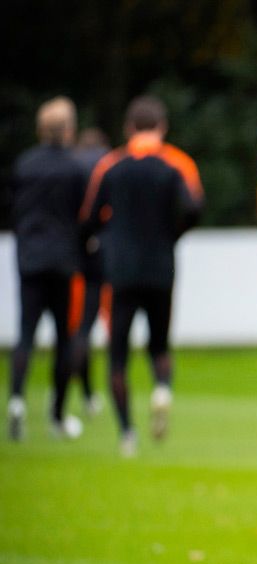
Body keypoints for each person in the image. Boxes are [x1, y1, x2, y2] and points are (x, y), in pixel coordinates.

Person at [80, 95, 204, 457]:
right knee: (159, 343)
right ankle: (162, 388)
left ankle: (127, 434)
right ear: (162, 127)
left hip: (120, 269)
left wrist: (103, 237)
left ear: (128, 127)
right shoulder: (174, 165)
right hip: (160, 266)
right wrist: (174, 232)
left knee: (117, 353)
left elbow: (88, 217)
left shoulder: (112, 165)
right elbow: (195, 206)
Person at [8, 96, 88, 441]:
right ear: (68, 129)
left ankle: (16, 400)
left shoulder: (25, 165)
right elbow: (85, 215)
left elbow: (14, 208)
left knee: (25, 333)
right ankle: (57, 414)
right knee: (63, 338)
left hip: (28, 256)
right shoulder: (76, 168)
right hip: (63, 259)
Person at [71, 126, 112, 418]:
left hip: (74, 256)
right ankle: (90, 393)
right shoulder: (108, 165)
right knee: (100, 325)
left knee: (79, 328)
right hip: (105, 257)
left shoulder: (72, 165)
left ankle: (79, 391)